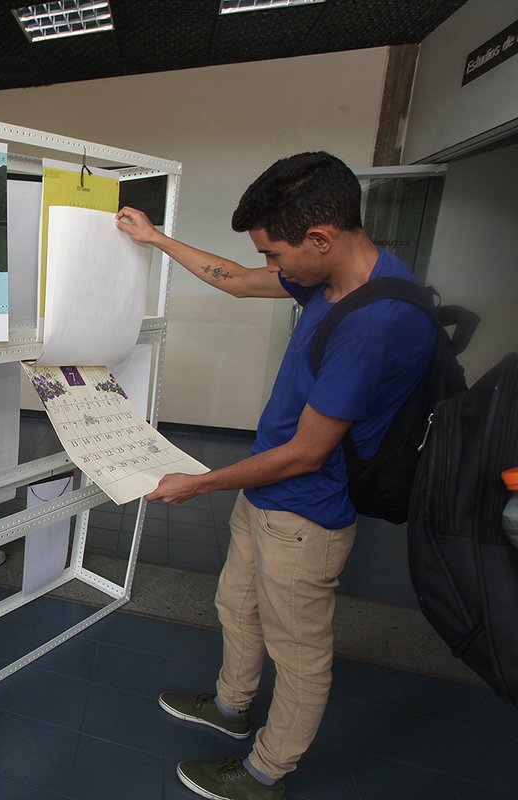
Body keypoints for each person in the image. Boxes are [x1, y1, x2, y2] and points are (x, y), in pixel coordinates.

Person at [115, 152, 435, 800]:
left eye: (275, 254)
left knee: (301, 653)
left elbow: (306, 454)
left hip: (305, 514)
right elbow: (232, 279)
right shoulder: (329, 277)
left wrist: (198, 481)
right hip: (265, 495)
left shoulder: (375, 322)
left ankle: (266, 773)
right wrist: (153, 237)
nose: (270, 270)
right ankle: (231, 709)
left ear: (321, 237)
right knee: (237, 603)